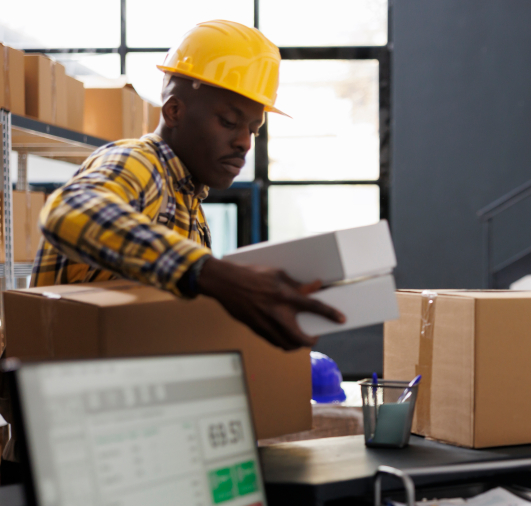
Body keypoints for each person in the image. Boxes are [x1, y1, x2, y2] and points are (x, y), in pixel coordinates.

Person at [29, 19, 345, 350]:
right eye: (228, 122)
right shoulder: (139, 162)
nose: (244, 143)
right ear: (175, 111)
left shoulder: (187, 200)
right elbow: (68, 211)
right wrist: (214, 275)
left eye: (252, 129)